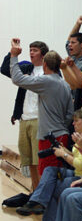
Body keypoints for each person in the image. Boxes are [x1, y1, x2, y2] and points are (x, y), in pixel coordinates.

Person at [16, 109, 82, 221]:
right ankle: (37, 202)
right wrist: (65, 150)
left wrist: (63, 154)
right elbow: (78, 158)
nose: (73, 124)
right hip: (78, 173)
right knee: (50, 170)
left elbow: (81, 164)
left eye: (76, 121)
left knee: (54, 186)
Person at [9, 39, 73, 176]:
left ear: (44, 64)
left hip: (48, 134)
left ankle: (40, 197)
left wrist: (13, 56)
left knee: (46, 173)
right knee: (56, 174)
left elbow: (17, 79)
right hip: (62, 134)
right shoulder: (66, 85)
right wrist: (61, 127)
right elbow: (69, 114)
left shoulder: (45, 80)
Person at [1, 40, 49, 190]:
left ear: (43, 54)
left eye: (34, 50)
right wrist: (12, 52)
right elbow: (5, 69)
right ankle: (34, 192)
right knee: (29, 161)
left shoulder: (49, 71)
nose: (31, 53)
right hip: (24, 118)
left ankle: (41, 195)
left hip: (39, 119)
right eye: (30, 50)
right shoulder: (27, 67)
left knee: (38, 160)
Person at [64, 15, 82, 110]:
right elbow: (67, 42)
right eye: (70, 43)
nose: (70, 45)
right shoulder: (73, 57)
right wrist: (78, 24)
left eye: (73, 43)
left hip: (79, 104)